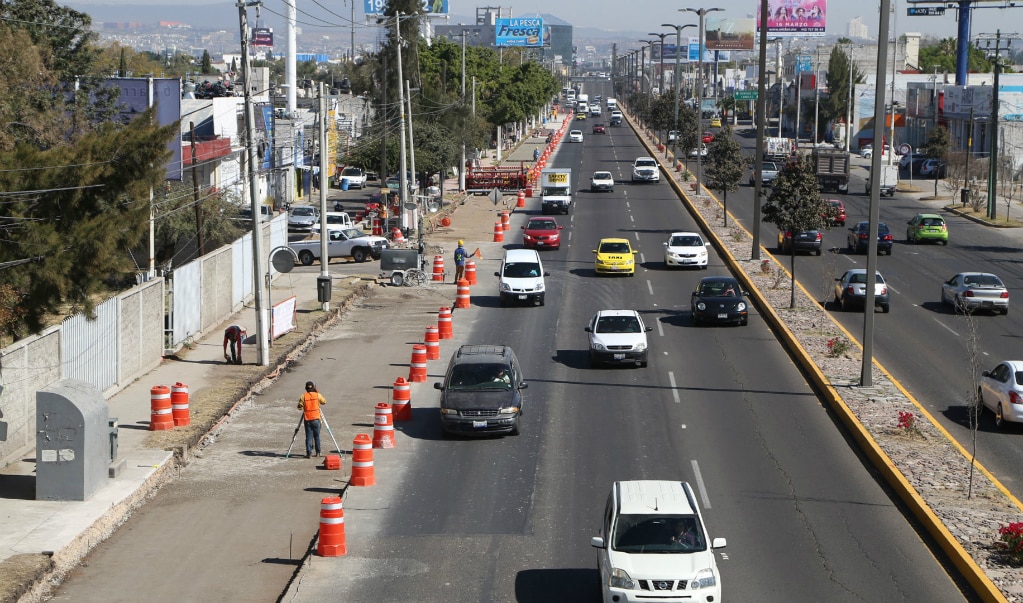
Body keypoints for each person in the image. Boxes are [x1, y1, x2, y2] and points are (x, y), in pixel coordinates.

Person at [297, 381, 327, 458]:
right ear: (314, 387)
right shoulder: (317, 395)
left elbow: (299, 407)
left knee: (308, 437)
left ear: (306, 388)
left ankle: (309, 453)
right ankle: (318, 452)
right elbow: (324, 402)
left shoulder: (303, 396)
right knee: (317, 436)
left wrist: (303, 406)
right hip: (316, 418)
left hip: (307, 419)